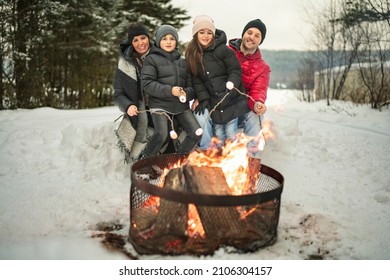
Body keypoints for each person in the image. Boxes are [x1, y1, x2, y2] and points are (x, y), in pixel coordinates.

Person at [139, 25, 202, 158]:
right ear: (158, 41)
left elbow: (191, 87)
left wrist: (186, 93)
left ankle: (177, 160)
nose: (168, 42)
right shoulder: (151, 59)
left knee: (196, 132)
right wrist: (170, 91)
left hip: (180, 106)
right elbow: (148, 84)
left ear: (176, 42)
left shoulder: (183, 62)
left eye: (172, 39)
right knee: (162, 134)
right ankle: (144, 160)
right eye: (164, 38)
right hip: (159, 105)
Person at [186, 15, 250, 147]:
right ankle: (216, 159)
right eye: (202, 32)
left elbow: (235, 70)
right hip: (215, 101)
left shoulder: (224, 50)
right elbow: (197, 80)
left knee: (231, 132)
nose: (206, 36)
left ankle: (233, 158)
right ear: (195, 34)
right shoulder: (193, 55)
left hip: (232, 98)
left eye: (209, 32)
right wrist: (203, 98)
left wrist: (231, 85)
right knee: (219, 133)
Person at [228, 19, 271, 158]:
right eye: (249, 32)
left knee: (255, 115)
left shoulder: (262, 68)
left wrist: (258, 103)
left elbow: (258, 91)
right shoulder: (225, 53)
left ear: (260, 41)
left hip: (242, 108)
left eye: (257, 35)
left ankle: (249, 161)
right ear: (243, 34)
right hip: (221, 105)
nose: (251, 37)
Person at [113, 22, 153, 163]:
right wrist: (128, 105)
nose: (140, 43)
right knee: (146, 136)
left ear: (148, 38)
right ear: (131, 42)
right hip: (139, 111)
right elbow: (118, 94)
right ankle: (142, 162)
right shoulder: (125, 63)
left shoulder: (160, 56)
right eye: (135, 40)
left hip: (161, 107)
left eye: (143, 38)